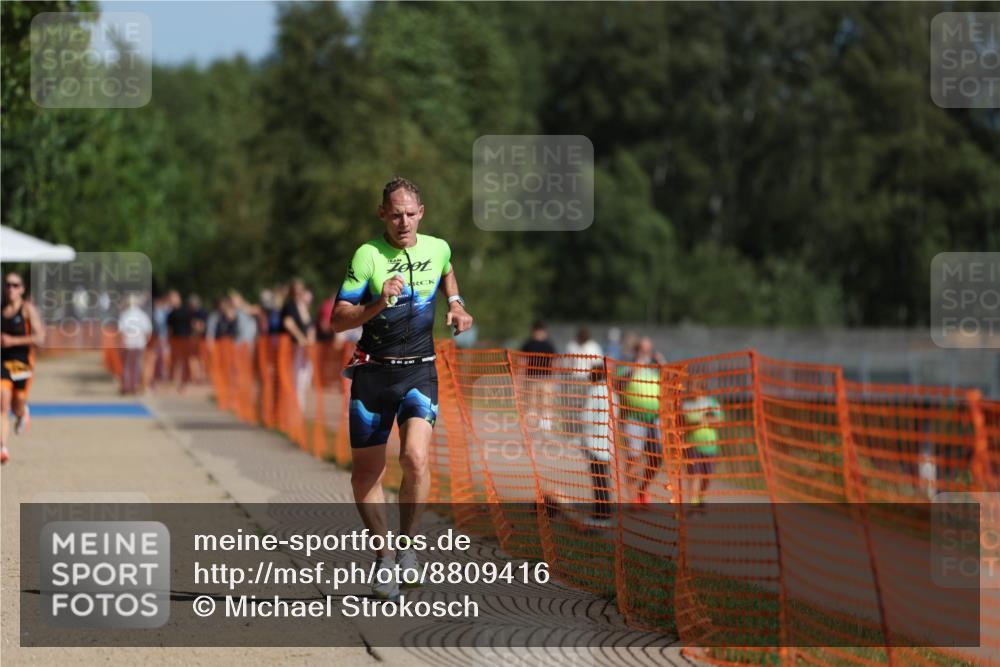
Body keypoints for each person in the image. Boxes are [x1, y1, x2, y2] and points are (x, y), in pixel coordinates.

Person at [332, 177, 473, 600]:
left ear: (422, 213)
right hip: (374, 375)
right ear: (382, 215)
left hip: (420, 374)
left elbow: (447, 269)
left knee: (414, 456)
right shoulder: (368, 255)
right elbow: (338, 318)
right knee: (365, 476)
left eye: (410, 214)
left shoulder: (438, 246)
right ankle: (384, 557)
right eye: (395, 214)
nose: (404, 222)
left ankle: (409, 549)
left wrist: (456, 303)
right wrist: (378, 303)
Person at [1, 272, 45, 464]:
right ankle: (3, 447)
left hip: (22, 364)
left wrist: (13, 341)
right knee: (2, 402)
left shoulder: (27, 309)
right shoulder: (1, 308)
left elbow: (40, 338)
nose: (11, 288)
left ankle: (22, 413)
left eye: (15, 285)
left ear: (22, 289)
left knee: (16, 403)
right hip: (2, 363)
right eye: (8, 284)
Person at [620, 337, 666, 506]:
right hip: (635, 419)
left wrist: (662, 364)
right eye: (642, 349)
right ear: (636, 350)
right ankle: (633, 496)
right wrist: (633, 369)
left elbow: (670, 381)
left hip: (654, 419)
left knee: (656, 458)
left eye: (648, 349)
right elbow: (619, 384)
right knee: (633, 459)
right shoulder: (628, 366)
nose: (645, 352)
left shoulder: (656, 368)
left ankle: (643, 489)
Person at [580, 363, 613, 527]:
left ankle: (601, 515)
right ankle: (603, 513)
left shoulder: (594, 391)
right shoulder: (611, 392)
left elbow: (586, 417)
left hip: (594, 443)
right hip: (607, 443)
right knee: (603, 479)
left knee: (598, 480)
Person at [681, 391, 723, 508]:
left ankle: (699, 498)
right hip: (691, 445)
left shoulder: (712, 403)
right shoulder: (685, 405)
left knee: (707, 476)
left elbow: (718, 422)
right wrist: (699, 421)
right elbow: (683, 425)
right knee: (695, 475)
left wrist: (704, 420)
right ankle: (693, 504)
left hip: (710, 446)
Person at [282, 280, 316, 409]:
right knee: (297, 380)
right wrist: (300, 338)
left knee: (305, 380)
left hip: (306, 349)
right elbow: (288, 323)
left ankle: (298, 408)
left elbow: (310, 326)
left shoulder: (304, 307)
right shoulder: (290, 305)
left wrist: (310, 340)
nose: (299, 294)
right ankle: (296, 409)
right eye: (296, 291)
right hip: (294, 347)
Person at [520, 320, 557, 430]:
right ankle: (543, 426)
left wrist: (520, 378)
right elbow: (554, 363)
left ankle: (536, 426)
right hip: (540, 379)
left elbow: (523, 362)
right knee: (542, 403)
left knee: (534, 403)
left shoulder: (529, 344)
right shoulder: (547, 344)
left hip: (537, 379)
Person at [117, 293, 153, 395]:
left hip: (128, 343)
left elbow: (122, 331)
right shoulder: (143, 315)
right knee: (136, 365)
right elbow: (148, 331)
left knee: (127, 366)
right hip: (139, 344)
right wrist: (145, 342)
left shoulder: (125, 315)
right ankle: (134, 386)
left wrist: (122, 343)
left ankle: (127, 386)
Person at [166, 291, 195, 391]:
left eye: (174, 298)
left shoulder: (186, 311)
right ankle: (174, 380)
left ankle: (184, 381)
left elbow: (192, 325)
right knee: (175, 361)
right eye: (171, 299)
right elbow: (169, 328)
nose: (172, 301)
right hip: (174, 339)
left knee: (185, 361)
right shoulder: (170, 313)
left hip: (185, 339)